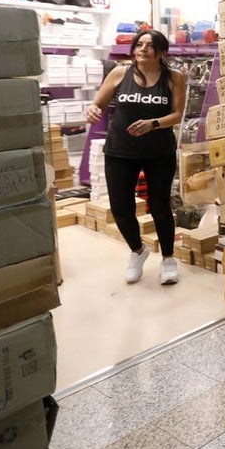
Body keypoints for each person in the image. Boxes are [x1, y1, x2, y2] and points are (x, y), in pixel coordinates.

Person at [87, 30, 186, 285]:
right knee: (121, 208)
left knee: (160, 206)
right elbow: (98, 104)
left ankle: (168, 259)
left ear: (161, 52)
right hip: (120, 150)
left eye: (150, 45)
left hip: (158, 151)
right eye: (139, 44)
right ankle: (138, 250)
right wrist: (92, 109)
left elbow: (177, 114)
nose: (143, 49)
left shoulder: (174, 78)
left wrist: (154, 123)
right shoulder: (119, 73)